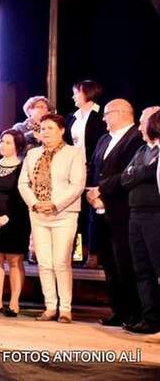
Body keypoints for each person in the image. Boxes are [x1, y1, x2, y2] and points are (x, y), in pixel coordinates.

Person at [18, 113, 85, 323]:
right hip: (38, 214)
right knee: (45, 262)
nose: (45, 132)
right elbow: (23, 183)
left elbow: (77, 185)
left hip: (64, 214)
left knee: (61, 262)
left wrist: (55, 204)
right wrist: (35, 203)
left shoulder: (73, 153)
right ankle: (50, 307)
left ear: (62, 130)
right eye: (43, 128)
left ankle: (65, 308)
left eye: (50, 128)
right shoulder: (33, 154)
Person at [86, 99, 144, 327]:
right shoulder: (103, 139)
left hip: (122, 211)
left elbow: (128, 174)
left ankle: (134, 313)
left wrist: (102, 190)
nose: (103, 118)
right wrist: (91, 193)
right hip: (99, 211)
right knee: (109, 264)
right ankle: (118, 310)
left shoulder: (136, 139)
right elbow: (94, 169)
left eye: (107, 114)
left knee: (126, 264)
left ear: (121, 113)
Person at [0, 129, 30, 317]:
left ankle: (14, 302)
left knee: (15, 260)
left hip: (15, 220)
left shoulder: (23, 167)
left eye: (8, 142)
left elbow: (22, 197)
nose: (3, 145)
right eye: (2, 141)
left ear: (17, 146)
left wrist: (7, 217)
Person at [122, 107, 160, 334]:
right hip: (136, 213)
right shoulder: (142, 150)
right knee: (141, 268)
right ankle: (150, 318)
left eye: (142, 122)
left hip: (156, 214)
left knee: (158, 267)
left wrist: (139, 172)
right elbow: (127, 177)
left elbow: (148, 172)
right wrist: (140, 172)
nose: (139, 127)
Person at [64, 79, 107, 266]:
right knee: (74, 212)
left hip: (92, 169)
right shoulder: (72, 116)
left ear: (88, 93)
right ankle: (76, 253)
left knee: (92, 214)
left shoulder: (100, 115)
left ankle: (94, 253)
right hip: (73, 169)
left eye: (77, 92)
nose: (74, 96)